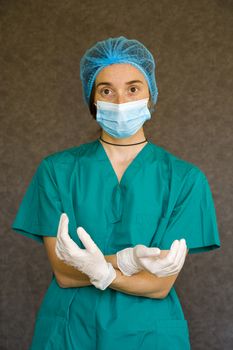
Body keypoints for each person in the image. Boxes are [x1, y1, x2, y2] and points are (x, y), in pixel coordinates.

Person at [11, 36, 221, 349]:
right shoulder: (56, 170)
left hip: (149, 335)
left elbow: (158, 285)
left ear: (150, 94)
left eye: (133, 88)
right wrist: (128, 259)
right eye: (106, 90)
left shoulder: (185, 179)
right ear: (93, 100)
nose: (121, 102)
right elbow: (64, 273)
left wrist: (105, 272)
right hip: (70, 330)